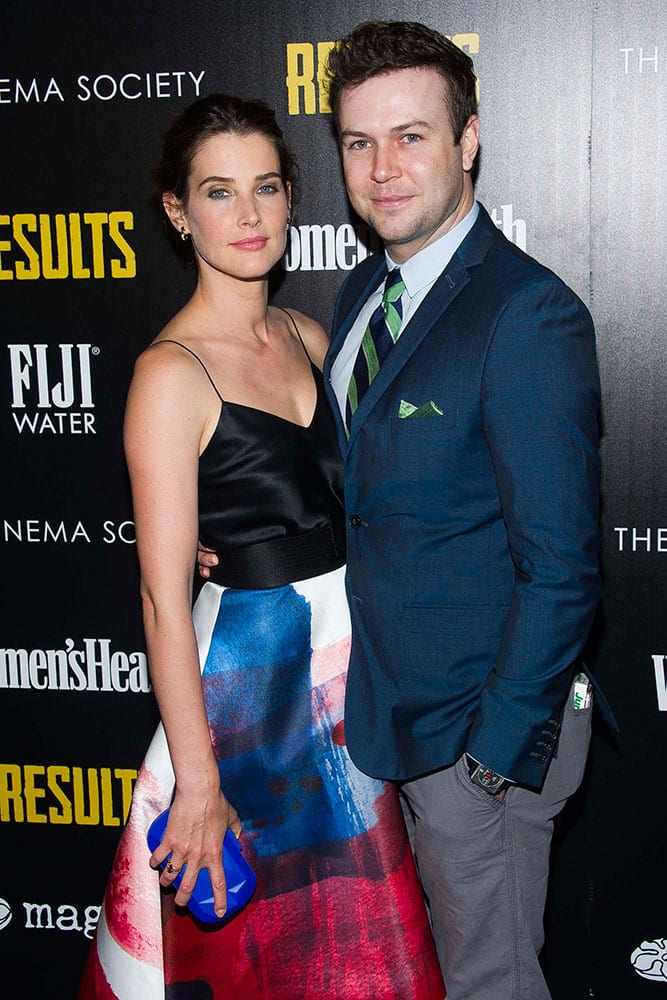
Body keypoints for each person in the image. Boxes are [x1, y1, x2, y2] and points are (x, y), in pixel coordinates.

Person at [199, 20, 612, 1000]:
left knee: (488, 984)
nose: (382, 169)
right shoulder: (358, 299)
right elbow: (369, 493)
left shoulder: (524, 315)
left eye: (411, 135)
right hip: (380, 720)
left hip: (481, 736)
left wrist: (489, 761)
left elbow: (562, 567)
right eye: (357, 142)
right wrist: (254, 539)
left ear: (468, 140)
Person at [78, 93, 444, 1000]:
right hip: (247, 700)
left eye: (267, 188)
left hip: (344, 689)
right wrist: (197, 784)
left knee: (354, 954)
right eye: (217, 192)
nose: (247, 216)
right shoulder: (170, 375)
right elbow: (164, 599)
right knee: (263, 962)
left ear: (290, 199)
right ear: (177, 211)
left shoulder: (310, 336)